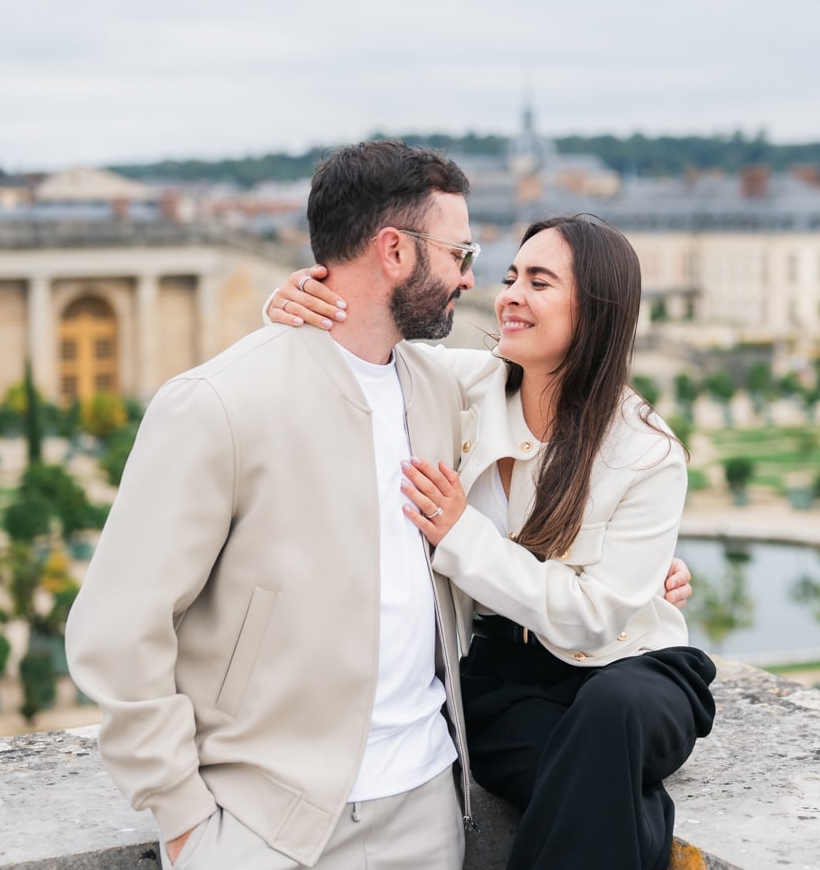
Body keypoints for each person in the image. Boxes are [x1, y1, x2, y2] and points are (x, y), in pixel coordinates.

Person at [66, 140, 482, 870]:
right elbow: (115, 630)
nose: (468, 279)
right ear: (393, 250)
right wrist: (185, 820)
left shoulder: (443, 387)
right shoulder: (217, 404)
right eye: (460, 254)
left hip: (427, 810)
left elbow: (568, 387)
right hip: (265, 827)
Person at [269, 214, 717, 870]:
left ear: (594, 309)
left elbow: (592, 617)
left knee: (609, 713)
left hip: (636, 674)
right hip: (507, 682)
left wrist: (460, 534)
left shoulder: (648, 451)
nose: (508, 293)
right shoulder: (462, 384)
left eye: (538, 282)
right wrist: (287, 303)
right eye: (510, 277)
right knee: (597, 794)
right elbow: (356, 344)